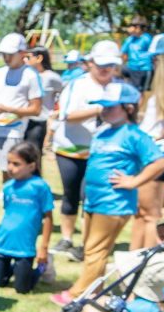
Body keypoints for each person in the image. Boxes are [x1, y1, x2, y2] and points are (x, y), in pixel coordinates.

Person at [54, 83, 164, 306]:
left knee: (96, 249)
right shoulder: (105, 131)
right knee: (90, 247)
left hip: (113, 203)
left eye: (110, 107)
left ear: (128, 107)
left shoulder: (134, 135)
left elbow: (160, 162)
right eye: (103, 107)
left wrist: (134, 181)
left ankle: (79, 294)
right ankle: (93, 289)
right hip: (94, 200)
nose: (104, 111)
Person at [50, 41, 120, 262]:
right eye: (101, 64)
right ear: (90, 63)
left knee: (89, 197)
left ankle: (87, 244)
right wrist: (100, 109)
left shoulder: (118, 87)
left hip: (100, 153)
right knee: (70, 195)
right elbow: (67, 115)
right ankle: (67, 238)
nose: (105, 69)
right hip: (70, 149)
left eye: (110, 64)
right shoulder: (77, 85)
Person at [0, 33, 42, 219]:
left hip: (13, 133)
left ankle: (9, 218)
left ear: (22, 53)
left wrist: (8, 109)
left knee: (10, 179)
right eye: (3, 54)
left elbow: (36, 109)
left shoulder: (31, 75)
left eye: (10, 54)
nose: (6, 58)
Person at [0, 142, 53, 294]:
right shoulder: (8, 186)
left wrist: (44, 247)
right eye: (8, 162)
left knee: (22, 289)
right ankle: (12, 269)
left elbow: (48, 218)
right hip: (3, 243)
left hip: (25, 247)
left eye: (16, 164)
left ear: (32, 166)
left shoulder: (40, 187)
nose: (10, 167)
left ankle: (41, 268)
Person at [137, 33, 164, 250]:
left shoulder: (163, 93)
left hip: (157, 156)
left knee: (148, 216)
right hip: (163, 156)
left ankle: (144, 266)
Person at [25, 46, 63, 154]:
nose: (25, 60)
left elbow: (63, 96)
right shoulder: (27, 75)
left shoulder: (52, 77)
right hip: (25, 119)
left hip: (41, 121)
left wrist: (56, 113)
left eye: (29, 57)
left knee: (33, 154)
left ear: (39, 58)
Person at [122, 15, 154, 92]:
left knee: (144, 91)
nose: (129, 28)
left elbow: (153, 53)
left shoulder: (147, 38)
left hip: (145, 69)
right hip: (132, 68)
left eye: (131, 26)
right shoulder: (129, 40)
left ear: (138, 27)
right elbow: (124, 53)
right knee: (134, 91)